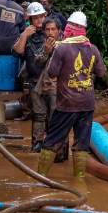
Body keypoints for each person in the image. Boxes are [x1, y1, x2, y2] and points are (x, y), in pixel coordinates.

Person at [37, 11, 106, 184]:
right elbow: (101, 72)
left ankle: (40, 178)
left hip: (66, 103)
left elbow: (52, 73)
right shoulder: (93, 49)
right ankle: (79, 179)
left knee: (52, 139)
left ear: (69, 29)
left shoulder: (62, 48)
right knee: (82, 142)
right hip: (87, 104)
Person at [29, 17, 64, 154]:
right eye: (47, 29)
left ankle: (57, 147)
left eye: (53, 29)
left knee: (56, 117)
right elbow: (36, 63)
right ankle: (37, 143)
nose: (50, 32)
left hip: (58, 86)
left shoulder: (65, 44)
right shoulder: (43, 44)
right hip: (41, 84)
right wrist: (46, 52)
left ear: (59, 31)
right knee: (38, 116)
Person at [13, 2, 48, 94]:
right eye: (35, 18)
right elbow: (17, 53)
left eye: (41, 17)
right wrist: (24, 35)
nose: (39, 20)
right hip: (33, 81)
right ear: (30, 19)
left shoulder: (51, 30)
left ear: (45, 16)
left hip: (50, 81)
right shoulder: (26, 34)